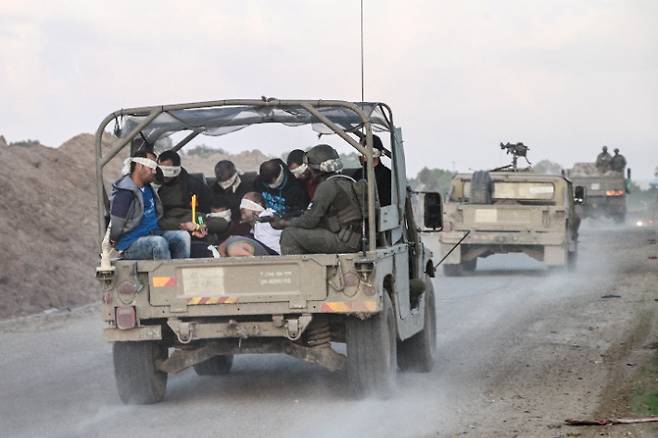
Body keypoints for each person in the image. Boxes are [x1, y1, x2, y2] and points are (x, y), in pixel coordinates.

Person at [275, 144, 363, 255]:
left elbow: (310, 221)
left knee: (289, 235)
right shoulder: (345, 181)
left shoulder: (326, 186)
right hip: (352, 239)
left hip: (343, 241)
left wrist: (284, 222)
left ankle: (299, 272)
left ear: (317, 168)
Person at [108, 151, 190, 260]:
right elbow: (117, 223)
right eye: (153, 166)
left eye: (170, 170)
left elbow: (202, 212)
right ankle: (167, 276)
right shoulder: (152, 188)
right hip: (143, 237)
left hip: (182, 227)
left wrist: (200, 225)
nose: (156, 172)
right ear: (139, 165)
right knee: (159, 242)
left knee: (182, 237)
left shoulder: (192, 185)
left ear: (178, 168)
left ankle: (179, 273)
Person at [156, 150, 212, 230]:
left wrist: (200, 227)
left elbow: (203, 213)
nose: (165, 175)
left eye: (168, 170)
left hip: (193, 220)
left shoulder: (194, 185)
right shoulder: (154, 185)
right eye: (161, 170)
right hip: (165, 221)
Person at [210, 160, 255, 235]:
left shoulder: (248, 187)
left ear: (235, 175)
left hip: (244, 228)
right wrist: (200, 226)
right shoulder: (212, 191)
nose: (225, 186)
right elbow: (200, 215)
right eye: (222, 181)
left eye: (227, 181)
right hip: (218, 229)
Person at [353, 135, 392, 206]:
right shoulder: (357, 174)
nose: (360, 155)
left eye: (363, 151)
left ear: (374, 152)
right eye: (360, 151)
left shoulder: (387, 175)